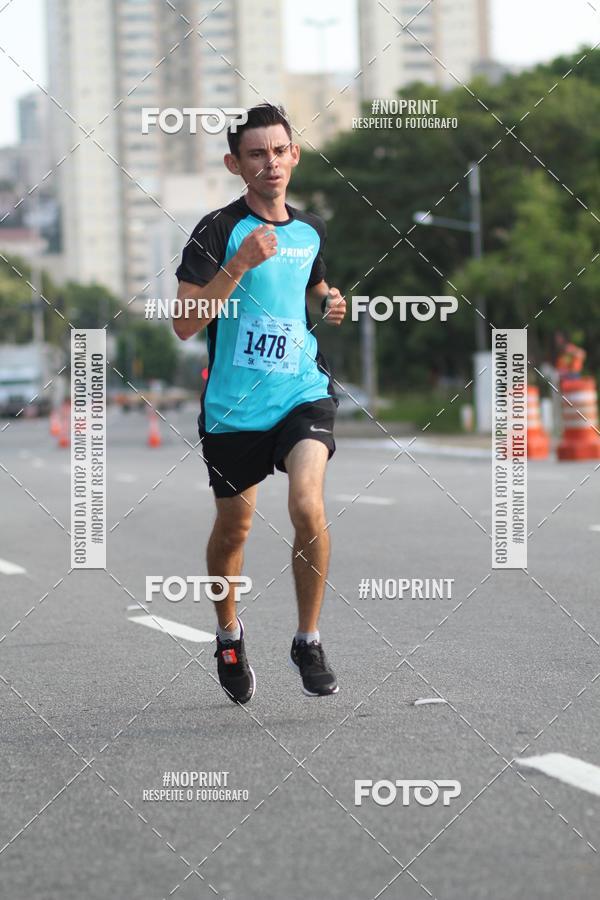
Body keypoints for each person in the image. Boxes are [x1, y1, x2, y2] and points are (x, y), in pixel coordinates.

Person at [173, 103, 347, 703]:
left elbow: (315, 288)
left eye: (279, 151)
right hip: (233, 409)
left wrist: (331, 302)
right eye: (255, 154)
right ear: (234, 164)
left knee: (307, 502)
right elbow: (185, 323)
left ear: (294, 155)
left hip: (302, 392)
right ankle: (229, 634)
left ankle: (308, 637)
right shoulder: (217, 231)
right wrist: (237, 267)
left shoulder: (312, 229)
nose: (270, 163)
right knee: (234, 527)